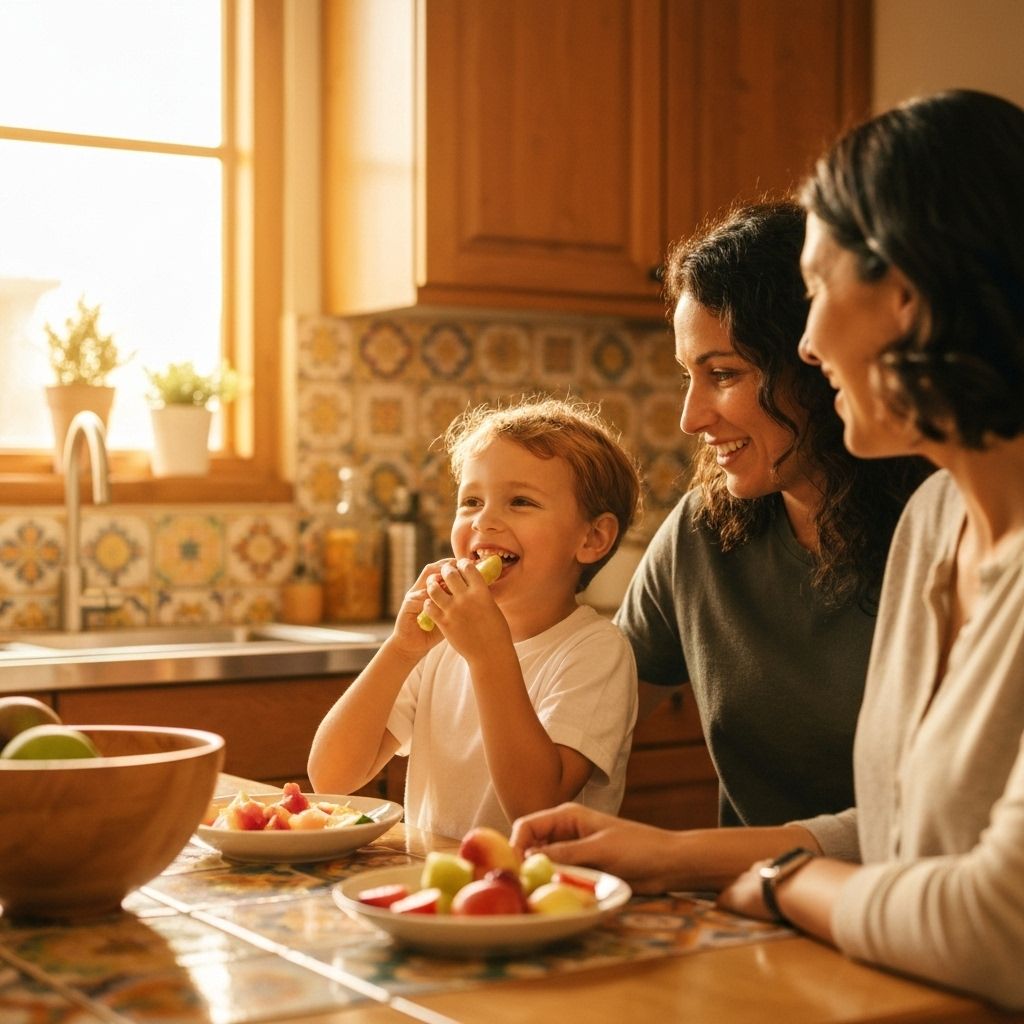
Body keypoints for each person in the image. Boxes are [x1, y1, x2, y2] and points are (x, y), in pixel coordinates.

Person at [512, 90, 1024, 1009]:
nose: (815, 340)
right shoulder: (938, 523)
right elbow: (907, 833)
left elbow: (1000, 923)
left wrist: (786, 881)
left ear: (913, 293)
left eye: (822, 291)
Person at [615, 200, 928, 826]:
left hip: (906, 912)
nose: (690, 417)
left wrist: (682, 857)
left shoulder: (942, 527)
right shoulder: (702, 532)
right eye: (688, 376)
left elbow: (946, 830)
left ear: (817, 364)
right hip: (753, 913)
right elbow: (580, 724)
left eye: (724, 373)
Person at [307, 396, 642, 839]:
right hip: (434, 888)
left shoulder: (596, 651)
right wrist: (400, 650)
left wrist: (489, 656)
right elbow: (331, 778)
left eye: (520, 501)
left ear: (593, 537)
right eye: (471, 501)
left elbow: (536, 810)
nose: (485, 521)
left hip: (536, 898)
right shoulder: (440, 643)